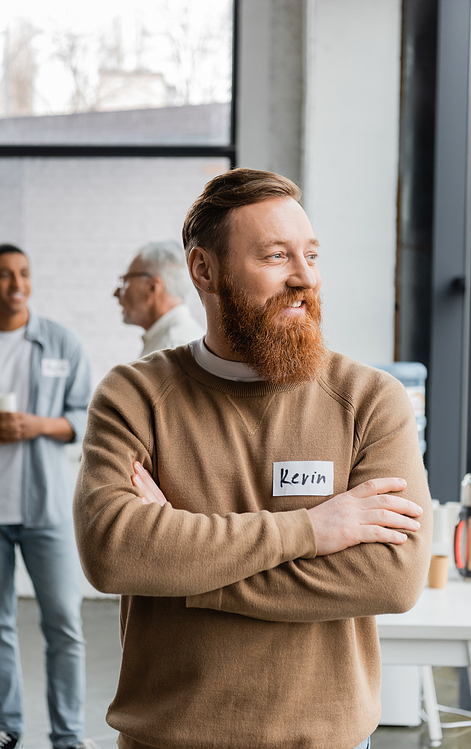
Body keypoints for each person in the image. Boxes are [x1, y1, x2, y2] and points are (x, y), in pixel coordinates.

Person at [74, 169, 432, 749]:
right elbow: (114, 552)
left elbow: (390, 579)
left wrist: (188, 572)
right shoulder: (134, 395)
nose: (305, 278)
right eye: (275, 256)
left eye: (311, 255)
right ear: (203, 270)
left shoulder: (370, 400)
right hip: (167, 740)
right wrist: (312, 529)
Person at [0, 244, 96, 749]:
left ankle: (68, 735)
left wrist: (37, 425)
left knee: (64, 623)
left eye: (23, 273)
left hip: (47, 510)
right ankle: (7, 727)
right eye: (3, 275)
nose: (16, 283)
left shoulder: (60, 343)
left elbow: (90, 418)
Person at [114, 240, 204, 357]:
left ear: (152, 287)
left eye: (125, 281)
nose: (115, 293)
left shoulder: (173, 348)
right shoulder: (171, 344)